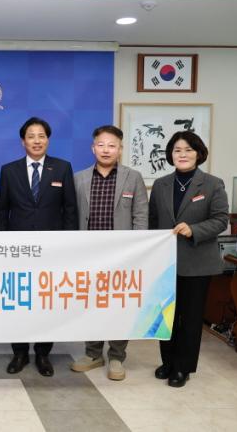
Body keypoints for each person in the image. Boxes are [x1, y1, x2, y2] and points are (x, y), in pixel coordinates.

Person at [0, 116, 78, 376]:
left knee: (47, 303)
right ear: (23, 141)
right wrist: (2, 246)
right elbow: (1, 211)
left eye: (41, 136)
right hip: (17, 250)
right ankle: (20, 353)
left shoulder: (62, 168)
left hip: (52, 251)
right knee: (18, 303)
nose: (36, 141)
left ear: (48, 140)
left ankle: (43, 354)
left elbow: (70, 209)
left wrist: (68, 245)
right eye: (31, 136)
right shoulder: (9, 170)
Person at [149, 130, 228, 388]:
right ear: (171, 155)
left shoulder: (212, 184)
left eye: (188, 150)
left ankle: (183, 367)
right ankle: (168, 362)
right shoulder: (160, 184)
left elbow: (221, 220)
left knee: (191, 319)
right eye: (177, 150)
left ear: (199, 154)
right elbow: (152, 222)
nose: (182, 154)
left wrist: (194, 229)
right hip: (165, 263)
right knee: (166, 317)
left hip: (197, 262)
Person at [70, 125, 148, 381]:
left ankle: (116, 356)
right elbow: (72, 216)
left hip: (122, 255)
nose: (106, 150)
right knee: (90, 304)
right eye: (101, 145)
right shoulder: (79, 178)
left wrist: (136, 250)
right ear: (93, 148)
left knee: (119, 305)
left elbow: (140, 216)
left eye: (112, 145)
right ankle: (93, 353)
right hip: (88, 254)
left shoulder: (133, 177)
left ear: (120, 149)